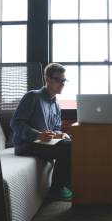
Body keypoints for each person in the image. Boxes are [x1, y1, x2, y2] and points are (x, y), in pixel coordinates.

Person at [10, 63, 72, 201]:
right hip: (27, 145)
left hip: (45, 143)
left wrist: (59, 134)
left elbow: (56, 127)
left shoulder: (56, 105)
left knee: (73, 141)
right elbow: (15, 123)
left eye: (64, 81)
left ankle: (68, 183)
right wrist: (38, 135)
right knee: (68, 146)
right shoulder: (32, 96)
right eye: (58, 80)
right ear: (47, 79)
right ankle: (57, 190)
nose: (62, 84)